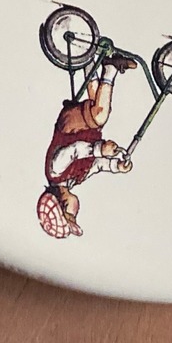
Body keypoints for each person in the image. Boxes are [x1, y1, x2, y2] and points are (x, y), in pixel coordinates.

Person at [37, 50, 136, 239]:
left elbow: (74, 150)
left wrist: (100, 149)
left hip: (70, 125)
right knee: (97, 106)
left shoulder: (55, 171)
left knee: (99, 114)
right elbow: (95, 165)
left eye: (71, 215)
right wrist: (116, 166)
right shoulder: (75, 179)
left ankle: (110, 68)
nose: (75, 212)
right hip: (87, 130)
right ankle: (90, 60)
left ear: (62, 205)